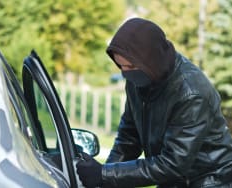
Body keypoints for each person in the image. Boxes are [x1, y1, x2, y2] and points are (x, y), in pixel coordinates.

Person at [76, 17, 232, 188]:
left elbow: (173, 163)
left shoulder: (191, 93)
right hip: (172, 180)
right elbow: (129, 137)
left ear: (150, 61)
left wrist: (104, 175)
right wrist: (104, 177)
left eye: (129, 66)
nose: (125, 74)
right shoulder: (140, 78)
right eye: (121, 66)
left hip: (210, 182)